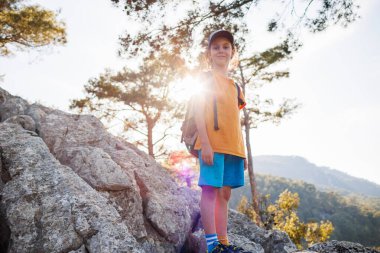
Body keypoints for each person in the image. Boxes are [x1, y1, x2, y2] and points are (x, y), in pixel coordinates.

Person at [193, 30, 250, 253]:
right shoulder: (205, 79)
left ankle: (223, 243)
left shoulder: (235, 87)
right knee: (210, 190)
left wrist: (242, 151)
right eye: (215, 47)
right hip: (211, 145)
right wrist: (205, 143)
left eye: (226, 46)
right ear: (209, 52)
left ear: (232, 52)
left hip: (232, 147)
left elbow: (235, 121)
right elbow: (199, 110)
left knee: (225, 193)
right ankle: (211, 245)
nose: (221, 50)